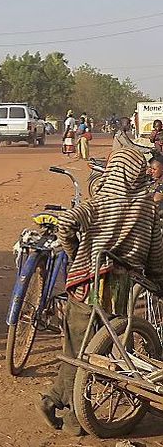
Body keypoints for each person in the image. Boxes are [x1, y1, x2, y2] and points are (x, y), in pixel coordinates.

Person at [39, 148, 163, 434]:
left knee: (77, 347)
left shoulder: (101, 202)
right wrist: (156, 278)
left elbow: (67, 223)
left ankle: (55, 401)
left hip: (86, 284)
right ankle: (71, 416)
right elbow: (156, 251)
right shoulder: (146, 207)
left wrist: (76, 254)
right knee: (99, 351)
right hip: (118, 288)